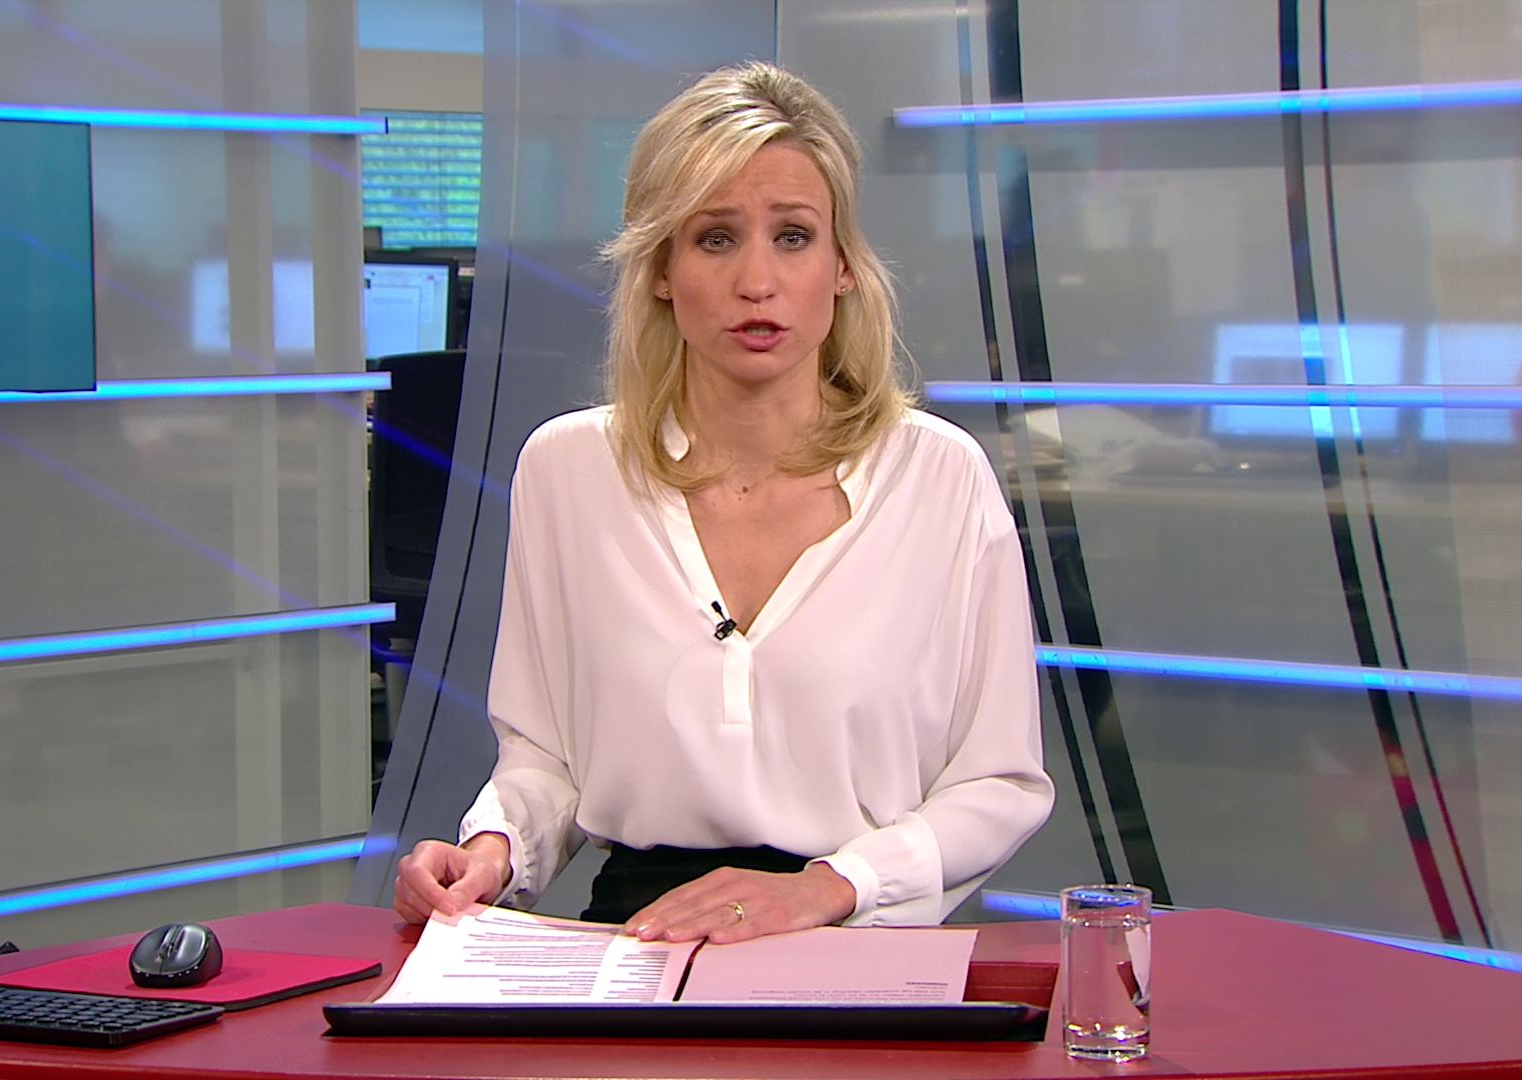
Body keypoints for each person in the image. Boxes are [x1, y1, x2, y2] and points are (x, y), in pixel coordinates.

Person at [394, 61, 1053, 944]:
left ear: (843, 266)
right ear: (661, 269)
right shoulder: (566, 471)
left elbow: (999, 782)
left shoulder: (940, 479)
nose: (757, 281)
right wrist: (493, 849)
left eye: (793, 236)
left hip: (855, 935)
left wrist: (833, 885)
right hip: (641, 937)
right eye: (714, 238)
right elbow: (546, 759)